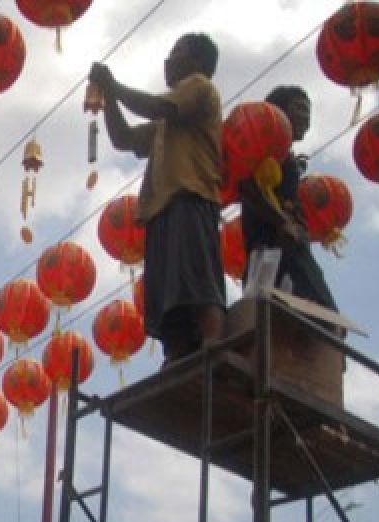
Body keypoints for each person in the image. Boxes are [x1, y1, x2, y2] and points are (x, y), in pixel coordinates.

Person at [90, 34, 226, 365]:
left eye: (175, 52)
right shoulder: (167, 125)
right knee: (169, 294)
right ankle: (177, 354)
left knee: (197, 281)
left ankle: (213, 343)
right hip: (162, 207)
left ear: (197, 62)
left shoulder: (199, 87)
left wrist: (115, 86)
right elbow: (124, 138)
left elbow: (158, 106)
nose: (169, 60)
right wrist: (108, 96)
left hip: (190, 197)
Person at [239, 85, 338, 312]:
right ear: (277, 111)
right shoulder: (264, 151)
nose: (306, 118)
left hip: (282, 251)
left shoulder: (284, 157)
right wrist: (282, 222)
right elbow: (248, 186)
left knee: (280, 322)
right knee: (323, 319)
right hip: (277, 250)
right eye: (299, 108)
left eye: (309, 113)